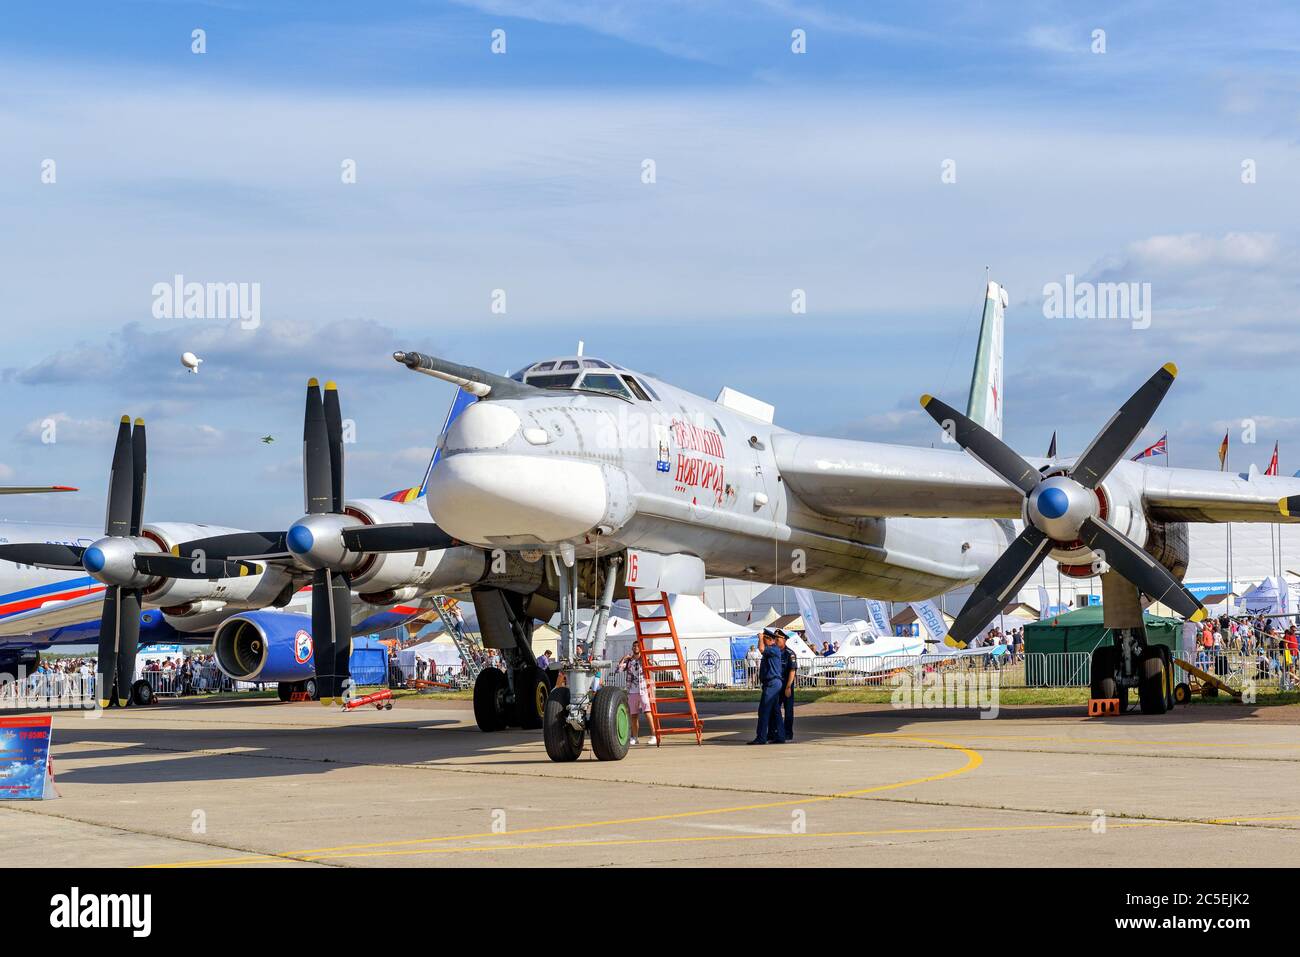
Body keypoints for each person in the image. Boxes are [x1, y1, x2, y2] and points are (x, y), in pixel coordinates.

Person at [749, 630, 786, 744]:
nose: (761, 641)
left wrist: (760, 638)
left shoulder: (773, 649)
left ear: (769, 639)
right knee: (775, 711)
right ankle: (780, 736)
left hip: (772, 683)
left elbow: (761, 649)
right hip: (772, 683)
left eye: (764, 638)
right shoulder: (772, 650)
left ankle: (761, 737)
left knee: (763, 710)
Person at [617, 640, 656, 746]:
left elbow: (655, 669)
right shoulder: (629, 661)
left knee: (648, 712)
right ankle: (635, 737)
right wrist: (624, 658)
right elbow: (618, 669)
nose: (635, 648)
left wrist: (647, 659)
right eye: (634, 646)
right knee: (633, 715)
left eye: (637, 646)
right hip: (632, 691)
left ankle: (654, 735)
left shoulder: (643, 659)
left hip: (643, 689)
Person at [771, 630, 798, 742]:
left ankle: (788, 733)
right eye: (775, 638)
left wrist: (788, 687)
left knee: (788, 711)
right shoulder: (774, 651)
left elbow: (792, 670)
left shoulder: (789, 653)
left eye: (778, 638)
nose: (776, 640)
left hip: (786, 685)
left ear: (784, 639)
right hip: (776, 686)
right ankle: (776, 732)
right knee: (774, 710)